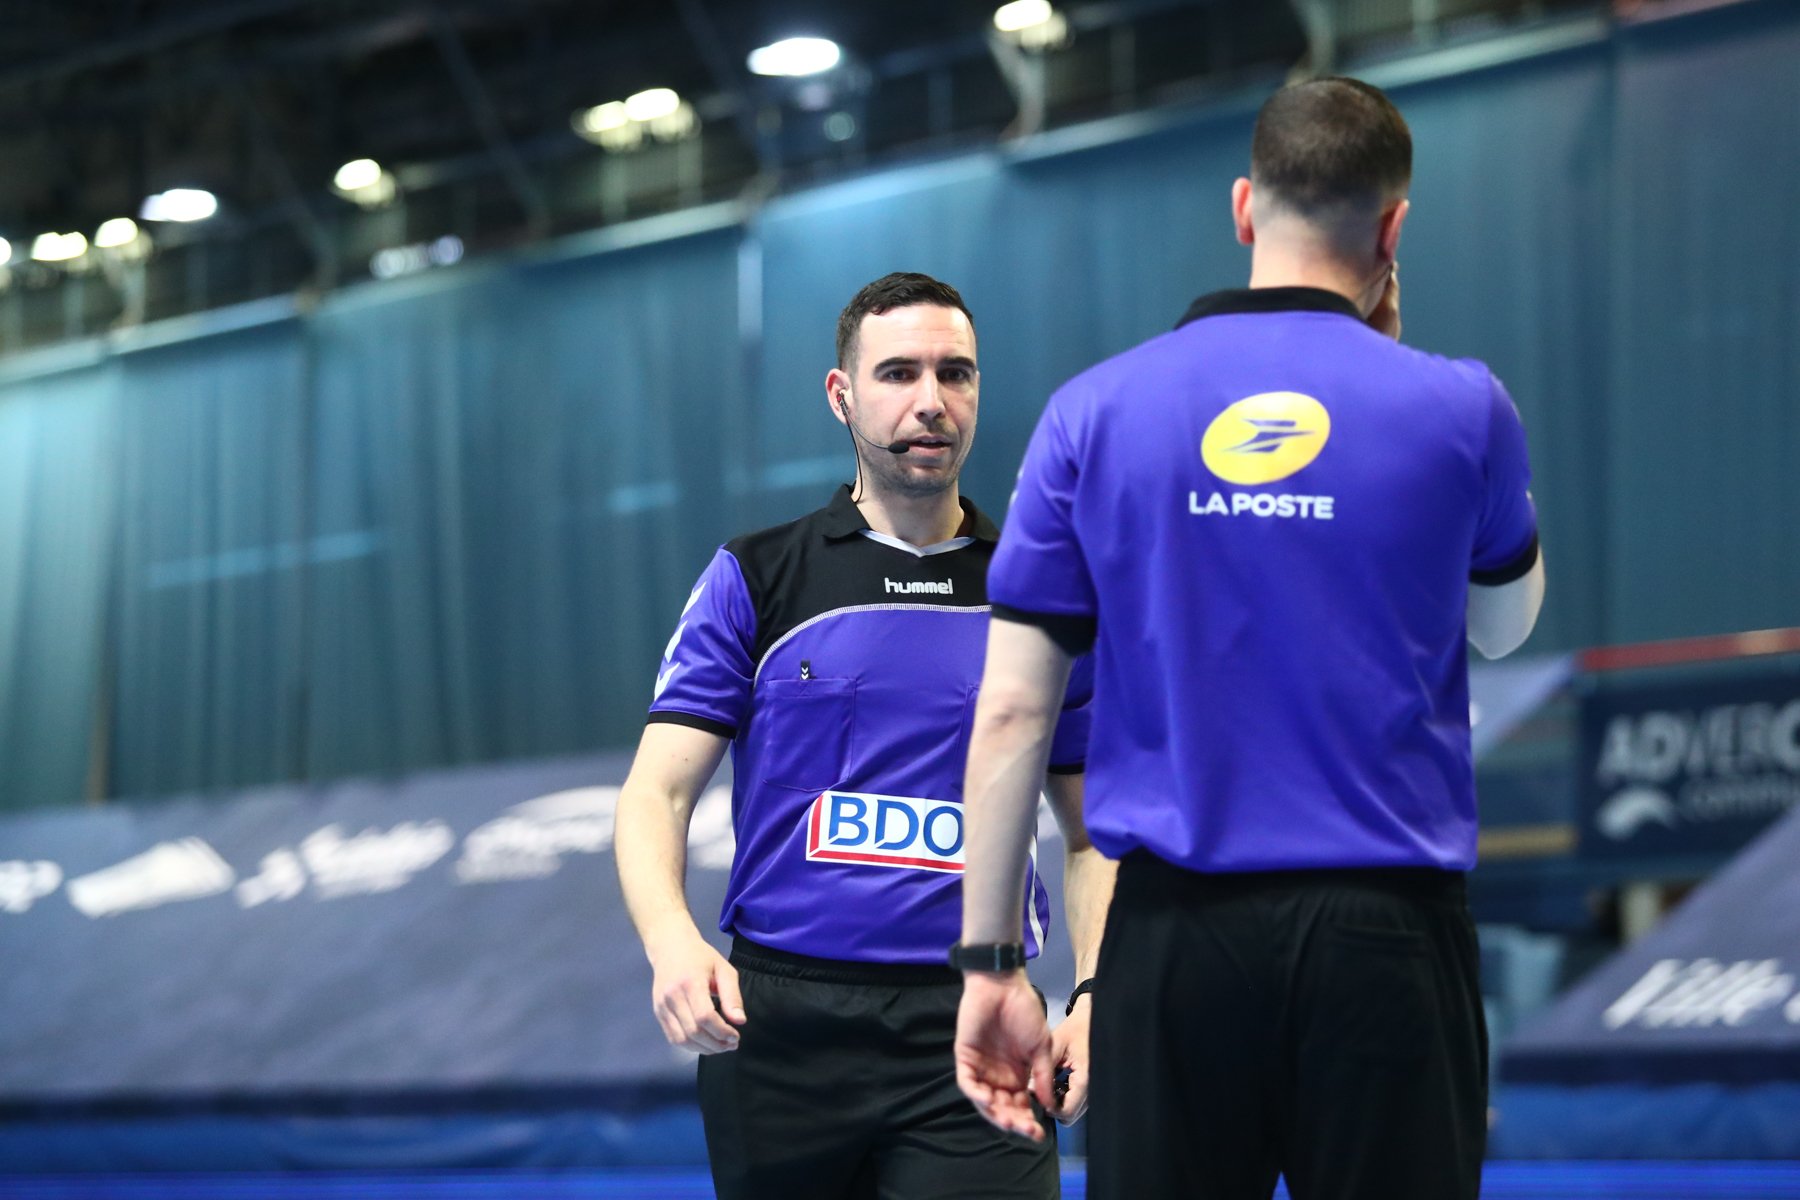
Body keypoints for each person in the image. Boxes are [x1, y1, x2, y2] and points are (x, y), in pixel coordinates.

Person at [952, 78, 1546, 1200]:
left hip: (1173, 946)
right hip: (1387, 947)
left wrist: (990, 963)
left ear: (1243, 208)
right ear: (1394, 229)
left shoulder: (1094, 412)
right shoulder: (1462, 408)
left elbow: (1015, 709)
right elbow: (1504, 627)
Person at [615, 271, 1115, 1200]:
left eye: (955, 373)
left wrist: (1093, 993)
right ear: (842, 395)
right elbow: (658, 793)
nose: (931, 401)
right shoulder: (756, 576)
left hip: (978, 1021)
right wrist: (670, 940)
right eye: (898, 373)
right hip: (781, 1036)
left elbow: (1096, 832)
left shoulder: (1045, 592)